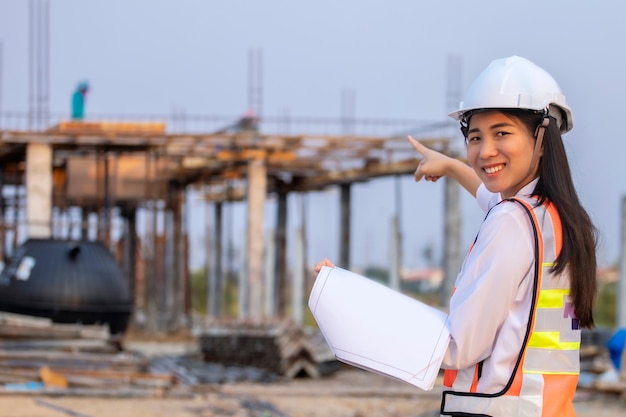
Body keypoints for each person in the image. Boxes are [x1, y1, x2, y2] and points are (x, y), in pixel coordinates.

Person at [314, 56, 597, 417]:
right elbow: (491, 197)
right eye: (475, 137)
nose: (485, 150)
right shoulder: (556, 219)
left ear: (541, 137)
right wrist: (450, 166)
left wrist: (346, 300)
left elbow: (459, 346)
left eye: (502, 133)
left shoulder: (511, 222)